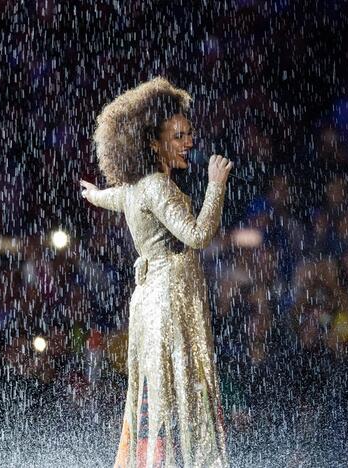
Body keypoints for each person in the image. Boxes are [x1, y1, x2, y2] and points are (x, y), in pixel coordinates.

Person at [79, 77, 233, 467]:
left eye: (189, 134)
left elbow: (111, 198)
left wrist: (93, 195)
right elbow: (196, 236)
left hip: (150, 300)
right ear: (152, 142)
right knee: (182, 388)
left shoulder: (136, 188)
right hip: (169, 299)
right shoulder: (157, 187)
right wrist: (216, 187)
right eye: (178, 136)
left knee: (156, 391)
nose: (188, 143)